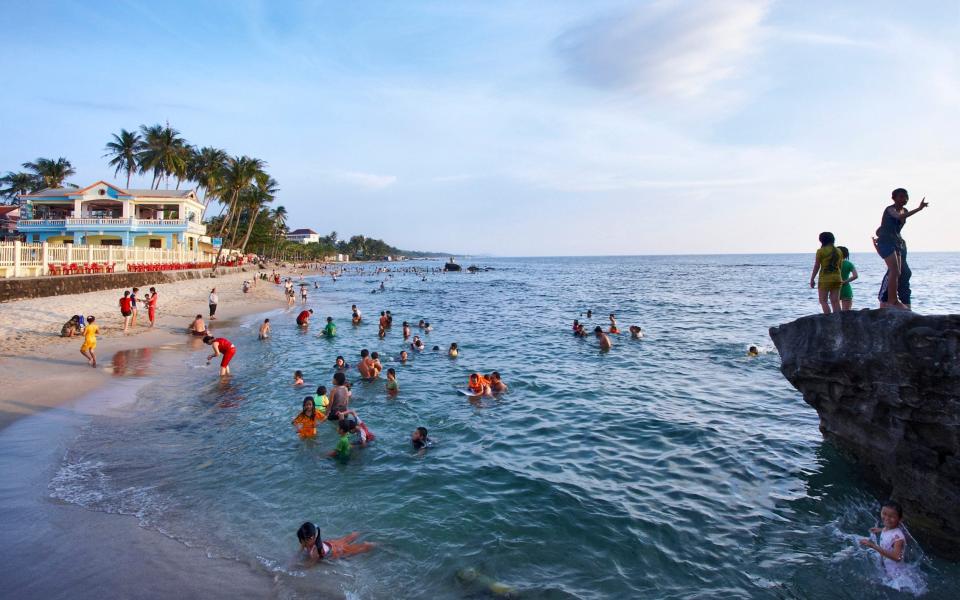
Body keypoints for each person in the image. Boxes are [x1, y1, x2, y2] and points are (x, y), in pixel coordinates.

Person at [875, 188, 928, 310]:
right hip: (886, 242)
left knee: (899, 272)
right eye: (901, 197)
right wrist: (919, 209)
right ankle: (892, 300)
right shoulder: (890, 209)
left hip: (896, 242)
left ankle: (893, 300)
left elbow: (895, 227)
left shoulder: (905, 210)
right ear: (894, 198)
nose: (904, 199)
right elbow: (898, 217)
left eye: (905, 197)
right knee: (893, 270)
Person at [859, 500, 907, 580]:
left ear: (900, 519)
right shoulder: (888, 528)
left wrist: (873, 546)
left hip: (896, 575)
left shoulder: (898, 538)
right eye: (884, 514)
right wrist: (880, 530)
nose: (887, 518)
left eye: (891, 517)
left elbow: (897, 557)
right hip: (887, 567)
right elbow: (890, 532)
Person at [296, 522, 374, 562]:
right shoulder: (309, 542)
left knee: (360, 549)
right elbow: (299, 553)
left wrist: (296, 568)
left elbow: (309, 565)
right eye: (300, 540)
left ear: (311, 538)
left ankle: (371, 545)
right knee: (346, 539)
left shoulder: (316, 551)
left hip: (336, 551)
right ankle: (365, 530)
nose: (301, 543)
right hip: (330, 544)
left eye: (302, 541)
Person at [809, 231, 843, 314]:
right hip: (837, 278)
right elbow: (840, 266)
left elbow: (817, 266)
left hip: (825, 279)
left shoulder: (820, 251)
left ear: (822, 240)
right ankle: (838, 320)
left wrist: (812, 279)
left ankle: (828, 320)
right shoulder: (839, 251)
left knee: (823, 301)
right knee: (835, 301)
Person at [837, 246, 859, 311]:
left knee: (836, 313)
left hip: (835, 289)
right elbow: (855, 276)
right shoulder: (849, 264)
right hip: (846, 288)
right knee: (846, 313)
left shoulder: (833, 264)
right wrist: (845, 282)